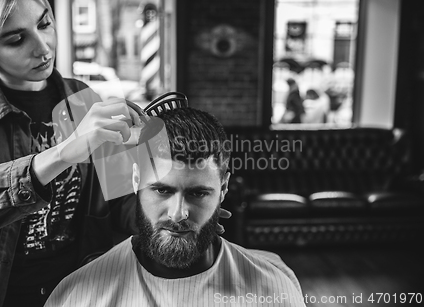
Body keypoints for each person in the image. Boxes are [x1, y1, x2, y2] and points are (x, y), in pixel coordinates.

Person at [0, 0, 143, 306]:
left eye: (45, 24)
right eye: (16, 40)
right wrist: (61, 155)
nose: (43, 48)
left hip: (77, 292)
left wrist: (170, 210)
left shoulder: (84, 99)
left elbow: (117, 201)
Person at [45, 107, 306, 307]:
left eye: (198, 193)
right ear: (136, 180)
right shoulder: (77, 296)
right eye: (162, 190)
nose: (178, 213)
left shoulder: (273, 291)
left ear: (224, 188)